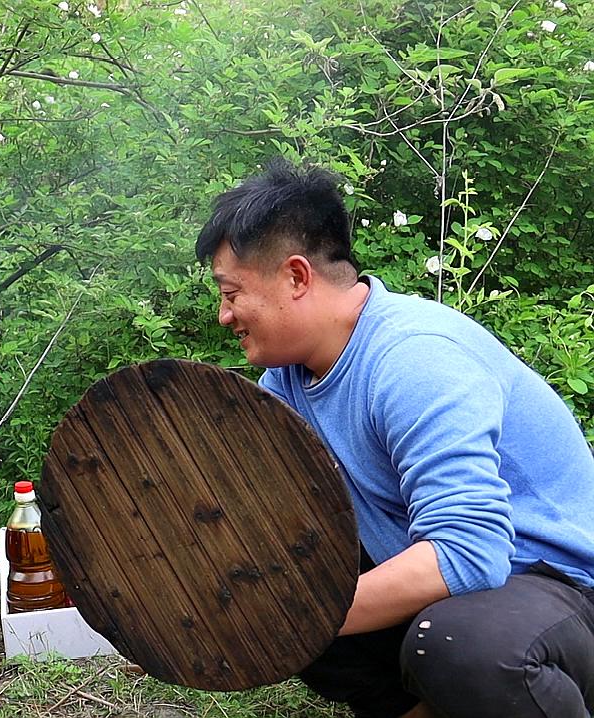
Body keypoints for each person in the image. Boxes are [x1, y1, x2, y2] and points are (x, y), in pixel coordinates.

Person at [194, 159, 594, 718]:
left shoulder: (413, 358)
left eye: (232, 293)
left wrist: (296, 617)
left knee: (458, 645)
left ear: (296, 277)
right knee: (282, 588)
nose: (223, 315)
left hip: (559, 586)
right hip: (457, 586)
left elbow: (470, 553)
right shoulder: (284, 384)